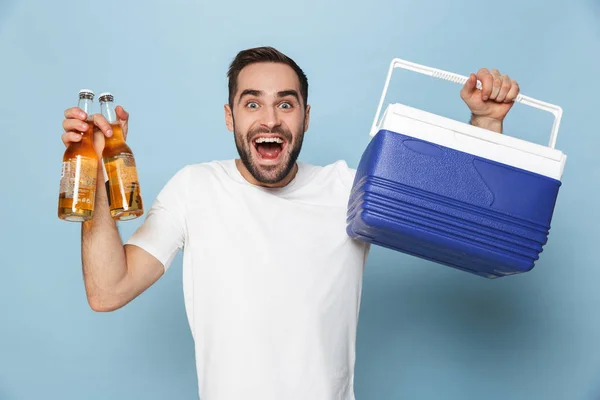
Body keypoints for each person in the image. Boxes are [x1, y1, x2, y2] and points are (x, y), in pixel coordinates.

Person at [60, 46, 521, 400]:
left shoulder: (348, 190)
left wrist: (485, 123)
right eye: (252, 103)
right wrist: (96, 174)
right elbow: (108, 290)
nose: (270, 119)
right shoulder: (194, 188)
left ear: (305, 117)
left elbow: (465, 214)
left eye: (285, 104)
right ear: (229, 117)